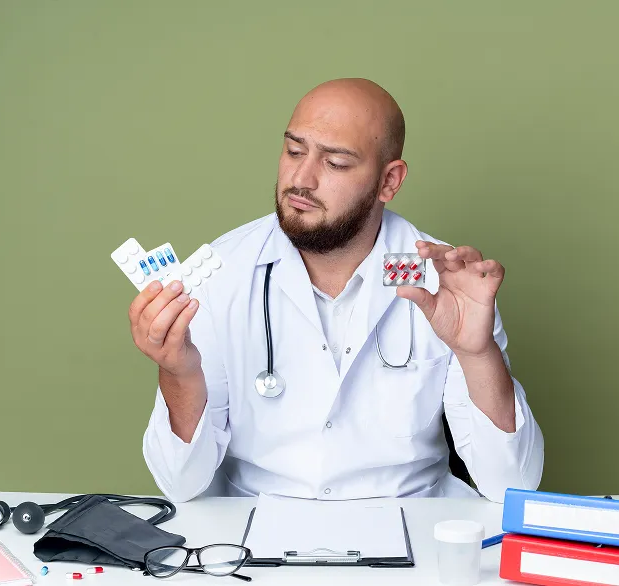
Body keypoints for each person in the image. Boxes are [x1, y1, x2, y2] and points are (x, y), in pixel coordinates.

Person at [132, 78, 544, 503]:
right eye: (293, 151)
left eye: (336, 164)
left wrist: (478, 355)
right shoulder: (221, 274)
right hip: (257, 536)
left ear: (389, 181)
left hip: (412, 531)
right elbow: (180, 484)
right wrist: (178, 373)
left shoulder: (445, 282)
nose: (302, 179)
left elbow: (511, 485)